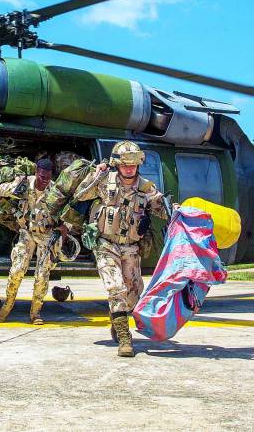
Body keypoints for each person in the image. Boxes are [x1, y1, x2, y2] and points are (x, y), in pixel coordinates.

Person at [71, 140, 169, 357]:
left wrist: (176, 210)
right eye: (124, 164)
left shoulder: (146, 188)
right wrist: (95, 174)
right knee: (116, 288)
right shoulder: (104, 181)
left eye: (133, 164)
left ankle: (116, 321)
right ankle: (125, 340)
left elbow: (162, 208)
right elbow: (80, 195)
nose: (129, 168)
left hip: (131, 248)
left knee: (133, 294)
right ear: (117, 163)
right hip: (106, 245)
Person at [0, 157, 62, 325]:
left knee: (42, 275)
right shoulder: (25, 184)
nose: (44, 180)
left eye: (47, 177)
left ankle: (36, 313)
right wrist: (15, 186)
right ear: (36, 172)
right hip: (27, 233)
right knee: (17, 270)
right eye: (41, 176)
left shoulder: (55, 190)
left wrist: (63, 230)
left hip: (46, 235)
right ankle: (8, 305)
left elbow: (68, 213)